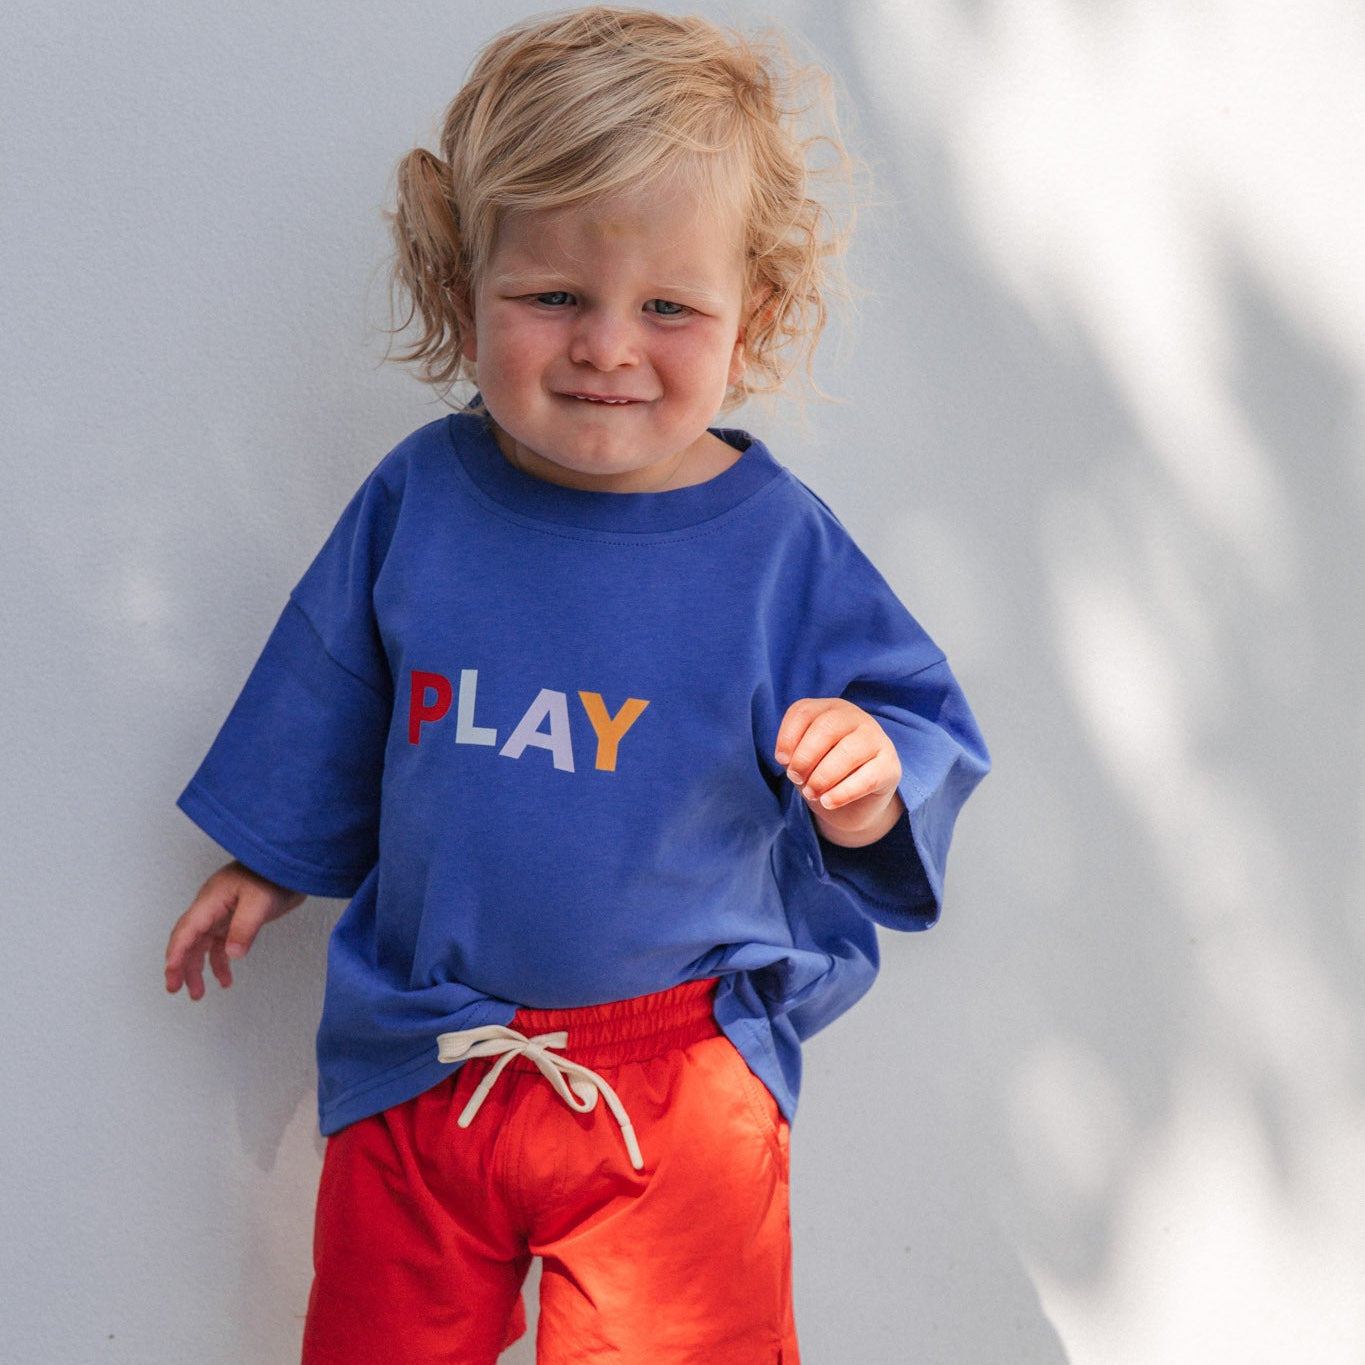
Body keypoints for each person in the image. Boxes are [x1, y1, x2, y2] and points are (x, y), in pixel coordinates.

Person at [163, 7, 989, 1362]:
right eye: (553, 297)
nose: (607, 344)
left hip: (675, 1095)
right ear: (461, 291)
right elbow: (335, 677)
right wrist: (271, 853)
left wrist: (867, 778)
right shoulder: (419, 499)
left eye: (667, 306)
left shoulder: (777, 546)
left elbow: (913, 721)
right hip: (427, 1056)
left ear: (752, 317)